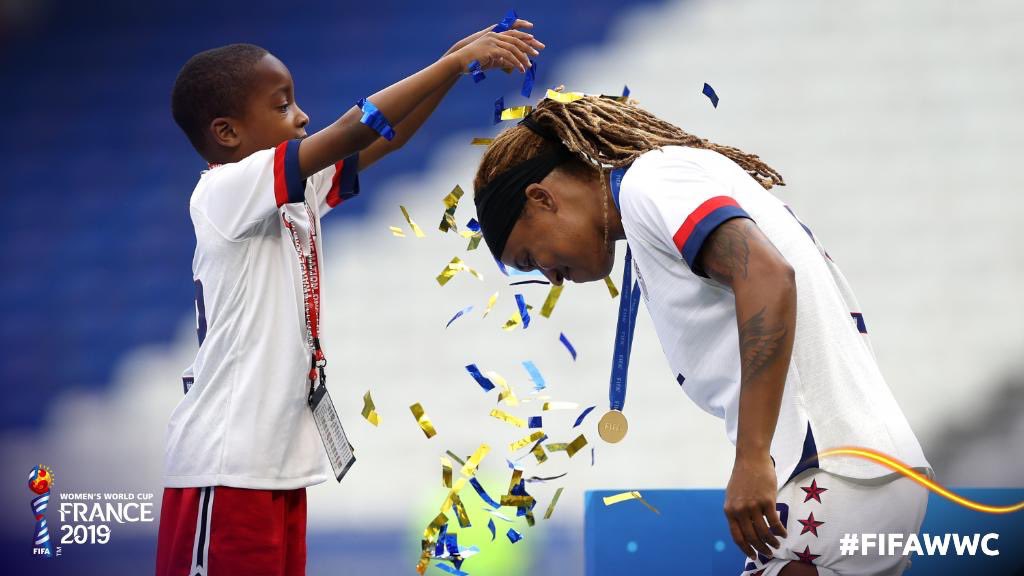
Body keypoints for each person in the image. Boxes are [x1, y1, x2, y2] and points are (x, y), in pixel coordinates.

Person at [472, 95, 932, 576]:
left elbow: (768, 276)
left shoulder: (650, 183)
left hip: (826, 474)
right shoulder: (668, 181)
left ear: (541, 199)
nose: (551, 277)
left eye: (531, 258)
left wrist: (753, 457)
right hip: (864, 469)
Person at [156, 22, 544, 576]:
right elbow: (352, 129)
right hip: (225, 463)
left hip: (272, 462)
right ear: (227, 132)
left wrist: (452, 64)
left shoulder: (291, 194)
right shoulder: (226, 189)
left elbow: (388, 137)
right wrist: (450, 66)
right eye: (283, 104)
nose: (301, 115)